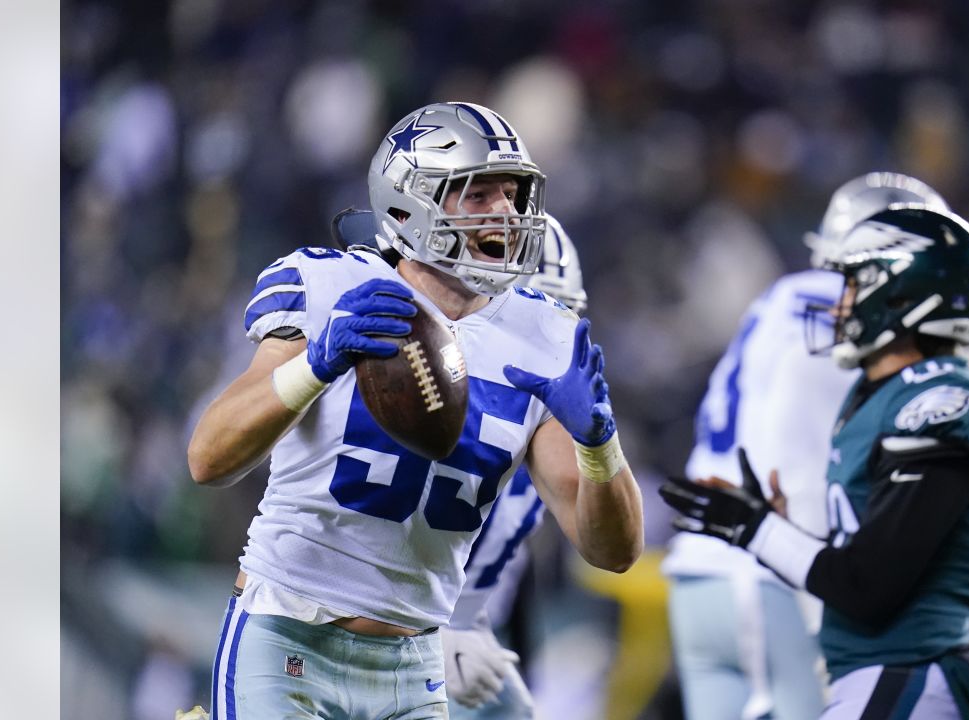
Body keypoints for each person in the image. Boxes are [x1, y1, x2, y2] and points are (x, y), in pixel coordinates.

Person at [186, 101, 643, 720]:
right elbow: (208, 458)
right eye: (479, 194)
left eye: (512, 194)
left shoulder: (546, 334)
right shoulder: (329, 289)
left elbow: (613, 550)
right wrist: (317, 362)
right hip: (288, 633)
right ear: (410, 203)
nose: (505, 212)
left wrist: (600, 444)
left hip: (414, 665)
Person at [661, 205, 969, 719]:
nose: (840, 305)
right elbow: (859, 562)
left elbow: (867, 586)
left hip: (910, 673)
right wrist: (772, 530)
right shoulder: (878, 396)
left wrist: (757, 531)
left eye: (854, 285)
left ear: (901, 295)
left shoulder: (939, 403)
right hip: (882, 673)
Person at [331, 208, 590, 718]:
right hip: (376, 641)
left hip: (448, 642)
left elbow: (514, 573)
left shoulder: (537, 421)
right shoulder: (417, 400)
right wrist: (441, 633)